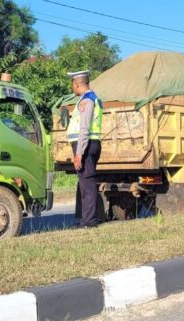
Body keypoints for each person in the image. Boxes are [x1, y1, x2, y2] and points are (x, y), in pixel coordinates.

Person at [66, 70, 103, 228]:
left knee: (87, 184)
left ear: (77, 83)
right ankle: (86, 219)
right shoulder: (92, 98)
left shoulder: (87, 100)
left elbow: (84, 127)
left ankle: (89, 221)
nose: (72, 88)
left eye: (72, 84)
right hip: (90, 143)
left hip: (86, 145)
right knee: (85, 182)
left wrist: (79, 152)